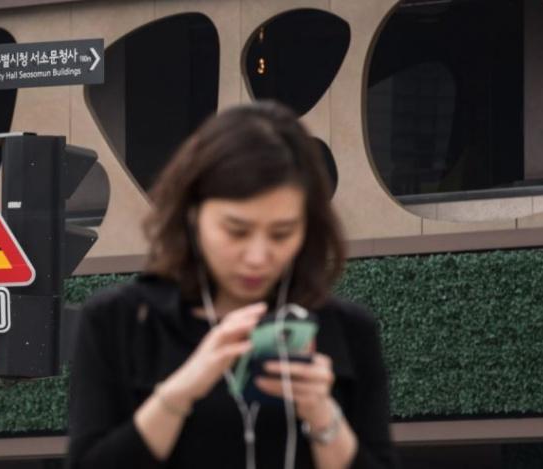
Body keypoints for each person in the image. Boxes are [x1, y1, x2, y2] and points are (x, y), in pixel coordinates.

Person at [67, 101, 398, 469]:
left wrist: (322, 414)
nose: (257, 256)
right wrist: (180, 392)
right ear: (193, 215)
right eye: (236, 231)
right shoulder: (120, 321)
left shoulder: (347, 329)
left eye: (281, 233)